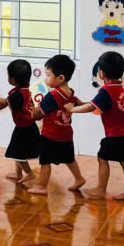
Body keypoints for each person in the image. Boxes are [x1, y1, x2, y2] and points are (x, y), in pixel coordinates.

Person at [67, 51, 124, 201]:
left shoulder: (106, 90)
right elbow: (97, 104)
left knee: (102, 158)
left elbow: (91, 107)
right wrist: (80, 103)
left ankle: (101, 190)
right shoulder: (118, 87)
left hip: (116, 134)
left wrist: (72, 109)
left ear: (101, 73)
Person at [27, 54, 87, 195]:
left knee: (45, 161)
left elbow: (37, 114)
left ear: (60, 78)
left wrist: (31, 111)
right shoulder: (70, 93)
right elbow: (79, 103)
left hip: (50, 135)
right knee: (69, 159)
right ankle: (79, 178)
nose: (45, 79)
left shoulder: (53, 96)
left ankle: (42, 186)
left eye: (48, 75)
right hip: (66, 135)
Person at [0, 59, 37, 185]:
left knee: (17, 153)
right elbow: (6, 103)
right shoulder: (23, 90)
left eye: (8, 75)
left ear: (13, 80)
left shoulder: (18, 95)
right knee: (18, 151)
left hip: (25, 129)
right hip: (25, 127)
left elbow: (5, 102)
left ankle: (29, 173)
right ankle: (18, 173)